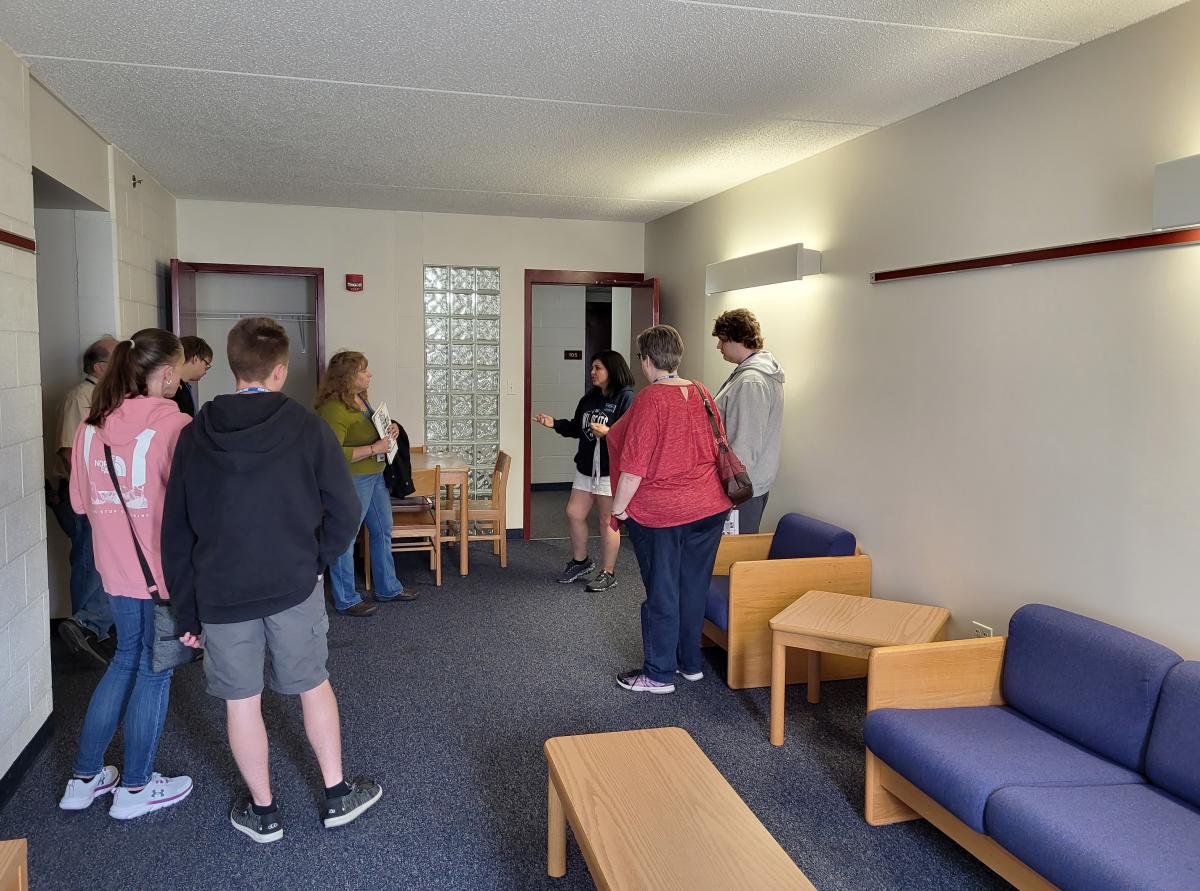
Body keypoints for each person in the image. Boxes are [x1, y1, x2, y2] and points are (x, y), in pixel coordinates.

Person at [163, 317, 382, 843]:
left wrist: (185, 612)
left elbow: (177, 532)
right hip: (292, 583)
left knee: (242, 702)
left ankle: (263, 813)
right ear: (280, 370)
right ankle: (336, 795)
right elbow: (345, 508)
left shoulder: (194, 435)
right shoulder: (307, 428)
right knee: (312, 685)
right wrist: (316, 561)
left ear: (234, 368)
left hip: (220, 592)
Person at [57, 328, 194, 818]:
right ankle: (135, 789)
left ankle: (84, 778)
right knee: (154, 673)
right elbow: (191, 505)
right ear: (167, 373)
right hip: (160, 575)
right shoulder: (174, 425)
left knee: (124, 661)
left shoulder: (89, 428)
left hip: (113, 569)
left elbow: (78, 503)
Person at [606, 325, 732, 694]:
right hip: (710, 507)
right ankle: (688, 663)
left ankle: (659, 673)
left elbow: (633, 467)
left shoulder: (650, 399)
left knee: (662, 590)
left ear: (646, 360)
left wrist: (617, 511)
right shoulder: (703, 391)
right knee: (693, 585)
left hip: (663, 513)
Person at [315, 351, 417, 616]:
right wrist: (374, 447)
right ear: (347, 376)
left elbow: (374, 431)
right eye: (363, 371)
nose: (369, 374)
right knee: (346, 537)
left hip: (376, 476)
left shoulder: (360, 400)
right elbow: (331, 452)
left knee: (383, 531)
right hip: (352, 480)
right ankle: (346, 598)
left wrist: (391, 428)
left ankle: (388, 588)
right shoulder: (332, 409)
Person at [533, 350, 635, 592]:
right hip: (586, 467)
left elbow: (632, 436)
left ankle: (608, 572)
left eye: (598, 368)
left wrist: (609, 433)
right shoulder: (589, 398)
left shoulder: (626, 398)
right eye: (592, 368)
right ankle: (581, 562)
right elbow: (577, 427)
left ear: (612, 369)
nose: (592, 372)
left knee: (606, 521)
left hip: (609, 470)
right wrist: (554, 423)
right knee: (574, 513)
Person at [51, 337, 118, 667]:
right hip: (84, 497)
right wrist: (93, 498)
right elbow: (69, 453)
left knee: (100, 564)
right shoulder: (81, 397)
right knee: (90, 566)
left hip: (99, 497)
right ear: (99, 367)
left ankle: (95, 633)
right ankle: (83, 635)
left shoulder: (104, 396)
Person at [711, 309, 785, 535]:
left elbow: (745, 446)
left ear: (738, 339)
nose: (719, 347)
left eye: (722, 340)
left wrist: (730, 492)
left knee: (729, 561)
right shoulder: (749, 375)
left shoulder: (752, 381)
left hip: (740, 490)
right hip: (744, 486)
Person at [171, 335, 213, 417]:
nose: (206, 371)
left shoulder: (184, 386)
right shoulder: (173, 389)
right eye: (206, 364)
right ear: (195, 359)